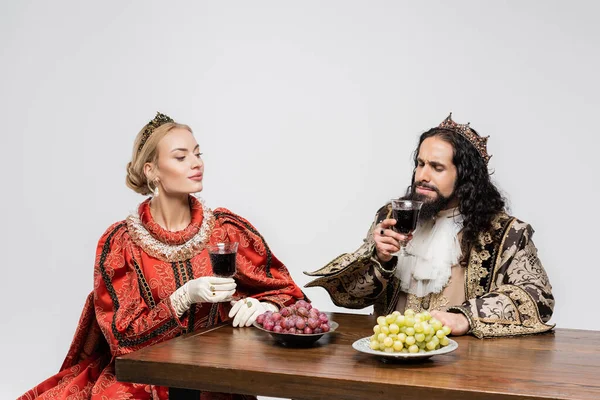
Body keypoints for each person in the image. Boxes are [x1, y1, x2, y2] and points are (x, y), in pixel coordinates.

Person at [20, 112, 306, 400]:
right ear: (151, 170)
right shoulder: (122, 244)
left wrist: (266, 307)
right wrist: (181, 299)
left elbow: (290, 294)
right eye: (181, 157)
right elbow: (123, 340)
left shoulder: (226, 231)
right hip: (147, 379)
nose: (197, 164)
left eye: (198, 154)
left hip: (218, 377)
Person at [305, 113, 554, 338]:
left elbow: (537, 297)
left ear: (466, 177)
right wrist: (380, 257)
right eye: (420, 164)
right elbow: (351, 296)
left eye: (437, 168)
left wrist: (466, 317)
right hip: (389, 358)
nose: (423, 175)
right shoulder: (391, 216)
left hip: (464, 370)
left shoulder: (506, 233)